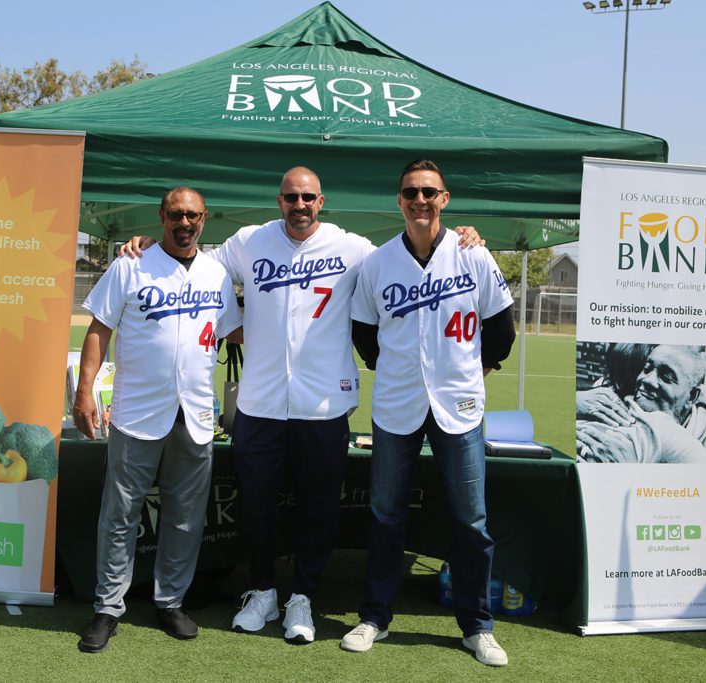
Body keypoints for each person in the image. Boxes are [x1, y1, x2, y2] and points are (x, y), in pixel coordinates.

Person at [119, 167, 483, 644]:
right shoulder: (249, 242)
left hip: (324, 402)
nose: (300, 205)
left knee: (318, 508)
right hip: (259, 400)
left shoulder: (352, 247)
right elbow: (192, 256)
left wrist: (461, 238)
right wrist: (145, 247)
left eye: (308, 197)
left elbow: (409, 255)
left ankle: (303, 598)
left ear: (321, 200)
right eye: (291, 197)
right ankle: (262, 590)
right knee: (256, 506)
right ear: (279, 201)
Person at [341, 159, 515, 667]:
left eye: (429, 192)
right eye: (411, 192)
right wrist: (393, 369)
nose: (420, 200)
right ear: (399, 200)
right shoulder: (377, 263)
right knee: (385, 517)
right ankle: (375, 617)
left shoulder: (473, 255)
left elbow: (500, 329)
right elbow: (364, 334)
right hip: (396, 404)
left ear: (445, 199)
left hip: (459, 405)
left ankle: (477, 626)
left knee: (471, 521)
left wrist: (475, 372)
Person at [75, 187, 243, 653]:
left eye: (192, 215)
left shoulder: (216, 272)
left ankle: (170, 601)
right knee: (120, 514)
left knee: (187, 517)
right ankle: (108, 607)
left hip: (194, 412)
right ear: (161, 217)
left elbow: (236, 331)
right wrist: (84, 391)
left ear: (204, 219)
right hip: (137, 411)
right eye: (175, 214)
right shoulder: (131, 262)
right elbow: (99, 328)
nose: (184, 222)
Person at [577, 344, 706, 464]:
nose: (647, 380)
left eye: (666, 376)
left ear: (691, 396)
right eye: (646, 369)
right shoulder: (615, 401)